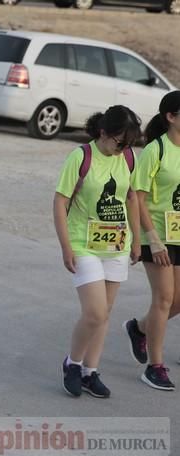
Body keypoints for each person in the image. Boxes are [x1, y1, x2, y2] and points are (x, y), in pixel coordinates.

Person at [53, 105, 142, 398]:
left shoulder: (128, 157)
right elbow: (59, 202)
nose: (123, 149)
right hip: (83, 243)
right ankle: (73, 363)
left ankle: (91, 372)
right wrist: (66, 246)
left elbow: (131, 198)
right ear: (103, 132)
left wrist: (137, 239)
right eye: (119, 142)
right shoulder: (81, 157)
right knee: (95, 312)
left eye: (128, 144)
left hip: (116, 245)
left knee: (106, 314)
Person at [124, 90, 180, 391]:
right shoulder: (155, 151)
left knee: (178, 300)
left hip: (179, 233)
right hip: (156, 234)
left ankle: (139, 328)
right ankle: (155, 367)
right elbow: (138, 199)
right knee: (164, 298)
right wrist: (153, 240)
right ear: (170, 117)